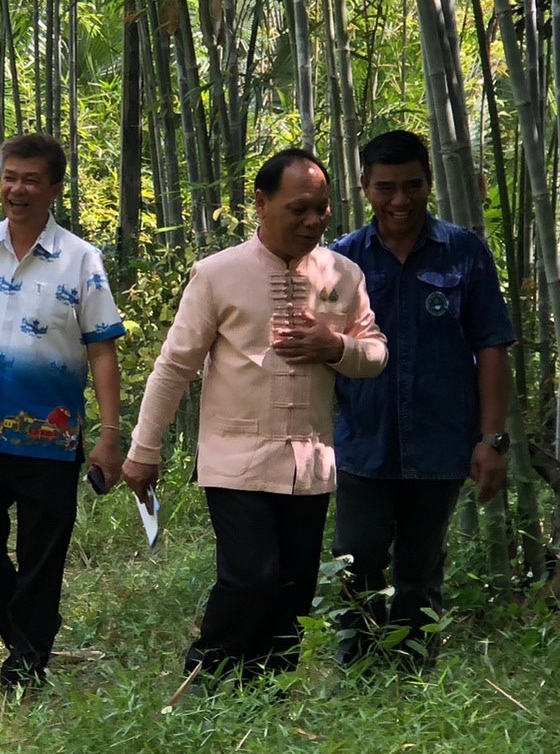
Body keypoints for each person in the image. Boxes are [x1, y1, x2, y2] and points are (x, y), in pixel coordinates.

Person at [121, 151, 388, 683]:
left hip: (309, 463)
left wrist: (334, 346)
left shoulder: (343, 273)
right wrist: (143, 450)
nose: (313, 221)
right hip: (234, 459)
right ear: (262, 204)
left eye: (321, 209)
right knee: (250, 578)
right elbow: (175, 366)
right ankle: (206, 678)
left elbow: (376, 353)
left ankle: (268, 695)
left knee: (293, 591)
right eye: (298, 209)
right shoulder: (218, 274)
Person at [0, 134, 125, 691]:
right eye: (10, 177)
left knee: (43, 555)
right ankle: (28, 630)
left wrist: (110, 435)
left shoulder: (81, 259)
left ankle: (27, 661)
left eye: (31, 180)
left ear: (54, 188)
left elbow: (102, 352)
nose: (17, 189)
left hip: (51, 439)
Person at [331, 129, 515, 669]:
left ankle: (413, 674)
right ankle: (358, 669)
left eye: (412, 185)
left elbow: (491, 346)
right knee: (357, 558)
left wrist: (491, 440)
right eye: (385, 187)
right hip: (363, 440)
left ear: (430, 182)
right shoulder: (341, 260)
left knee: (422, 568)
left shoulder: (464, 251)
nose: (399, 200)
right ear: (364, 186)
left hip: (439, 440)